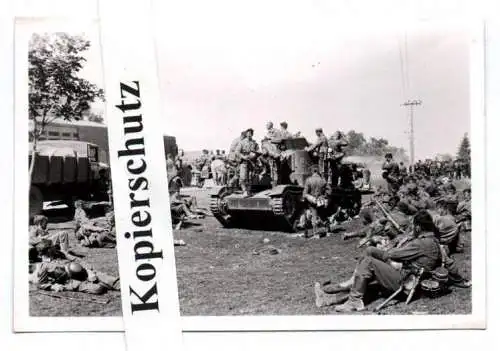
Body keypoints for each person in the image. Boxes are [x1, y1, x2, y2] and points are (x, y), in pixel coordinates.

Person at [315, 210, 470, 311]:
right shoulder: (434, 241)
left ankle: (354, 299)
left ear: (418, 227)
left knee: (369, 261)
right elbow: (449, 264)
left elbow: (394, 255)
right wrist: (461, 280)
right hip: (410, 274)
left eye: (414, 226)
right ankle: (346, 287)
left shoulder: (420, 243)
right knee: (370, 251)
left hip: (406, 281)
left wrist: (390, 249)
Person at [29, 260, 120, 295]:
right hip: (68, 281)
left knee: (109, 279)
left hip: (79, 271)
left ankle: (118, 284)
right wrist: (53, 286)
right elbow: (41, 284)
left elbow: (75, 261)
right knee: (97, 289)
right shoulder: (41, 268)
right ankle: (100, 285)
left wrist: (89, 271)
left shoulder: (56, 256)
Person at [297, 165, 330, 237]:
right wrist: (324, 196)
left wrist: (308, 198)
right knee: (322, 215)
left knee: (314, 216)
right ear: (318, 171)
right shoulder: (322, 180)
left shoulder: (308, 180)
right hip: (320, 200)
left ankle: (316, 234)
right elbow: (329, 191)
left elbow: (305, 193)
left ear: (312, 171)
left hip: (312, 201)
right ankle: (328, 230)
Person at [234, 128, 259, 196]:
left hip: (252, 162)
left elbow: (258, 151)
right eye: (248, 133)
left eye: (250, 133)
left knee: (251, 177)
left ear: (252, 134)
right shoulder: (242, 142)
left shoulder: (254, 143)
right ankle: (244, 191)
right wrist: (243, 157)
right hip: (244, 161)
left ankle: (248, 190)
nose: (249, 135)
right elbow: (237, 152)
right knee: (243, 177)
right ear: (246, 134)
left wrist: (255, 154)